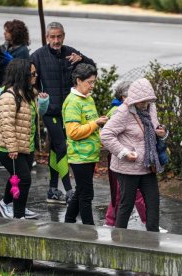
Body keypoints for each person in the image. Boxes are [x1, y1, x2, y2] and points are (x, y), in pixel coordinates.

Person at [30, 21, 95, 204]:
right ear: (46, 37)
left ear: (64, 36)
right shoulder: (38, 56)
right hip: (50, 111)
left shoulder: (71, 53)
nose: (56, 40)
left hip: (68, 111)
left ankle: (52, 190)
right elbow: (29, 79)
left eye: (59, 36)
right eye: (52, 37)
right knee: (62, 147)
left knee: (55, 149)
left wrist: (81, 59)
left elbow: (92, 70)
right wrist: (37, 94)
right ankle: (68, 190)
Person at [101, 78, 168, 232]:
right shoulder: (124, 111)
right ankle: (120, 238)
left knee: (153, 201)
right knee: (126, 203)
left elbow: (154, 128)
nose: (144, 104)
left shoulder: (151, 108)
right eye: (141, 101)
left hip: (148, 164)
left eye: (147, 101)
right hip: (128, 166)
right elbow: (106, 134)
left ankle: (153, 237)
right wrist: (123, 152)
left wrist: (162, 133)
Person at [0, 59, 49, 219]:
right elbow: (6, 124)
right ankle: (18, 216)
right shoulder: (8, 97)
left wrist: (43, 102)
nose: (35, 77)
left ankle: (5, 203)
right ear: (22, 75)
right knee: (24, 179)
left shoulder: (30, 93)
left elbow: (37, 115)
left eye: (35, 73)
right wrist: (12, 148)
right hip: (7, 147)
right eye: (32, 74)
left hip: (26, 145)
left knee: (16, 176)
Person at [62, 63, 108, 225]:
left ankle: (69, 221)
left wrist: (101, 135)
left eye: (94, 82)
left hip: (90, 155)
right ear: (78, 80)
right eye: (89, 82)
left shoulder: (88, 99)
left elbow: (91, 126)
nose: (92, 86)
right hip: (79, 156)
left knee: (80, 191)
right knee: (87, 194)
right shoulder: (73, 102)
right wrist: (96, 123)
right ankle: (89, 230)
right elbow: (73, 132)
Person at [103, 80, 147, 228]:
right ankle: (147, 222)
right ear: (123, 97)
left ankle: (110, 221)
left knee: (120, 193)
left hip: (130, 159)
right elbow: (106, 135)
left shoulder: (134, 110)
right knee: (132, 193)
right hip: (122, 161)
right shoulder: (119, 111)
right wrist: (123, 151)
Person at [0, 19, 30, 86]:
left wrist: (12, 62)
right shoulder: (6, 46)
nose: (4, 33)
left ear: (15, 33)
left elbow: (21, 73)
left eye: (7, 31)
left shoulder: (23, 50)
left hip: (12, 85)